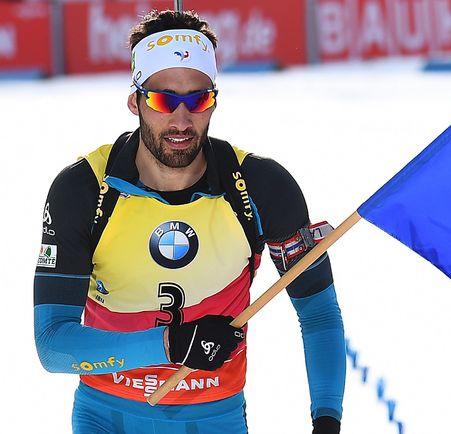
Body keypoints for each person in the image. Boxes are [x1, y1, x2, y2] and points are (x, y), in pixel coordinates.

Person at [33, 9, 345, 434]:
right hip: (107, 418)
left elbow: (319, 314)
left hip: (214, 418)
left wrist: (326, 419)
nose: (181, 121)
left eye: (198, 100)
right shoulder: (84, 189)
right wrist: (170, 345)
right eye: (164, 100)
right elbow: (53, 345)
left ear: (214, 100)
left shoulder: (260, 187)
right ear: (135, 101)